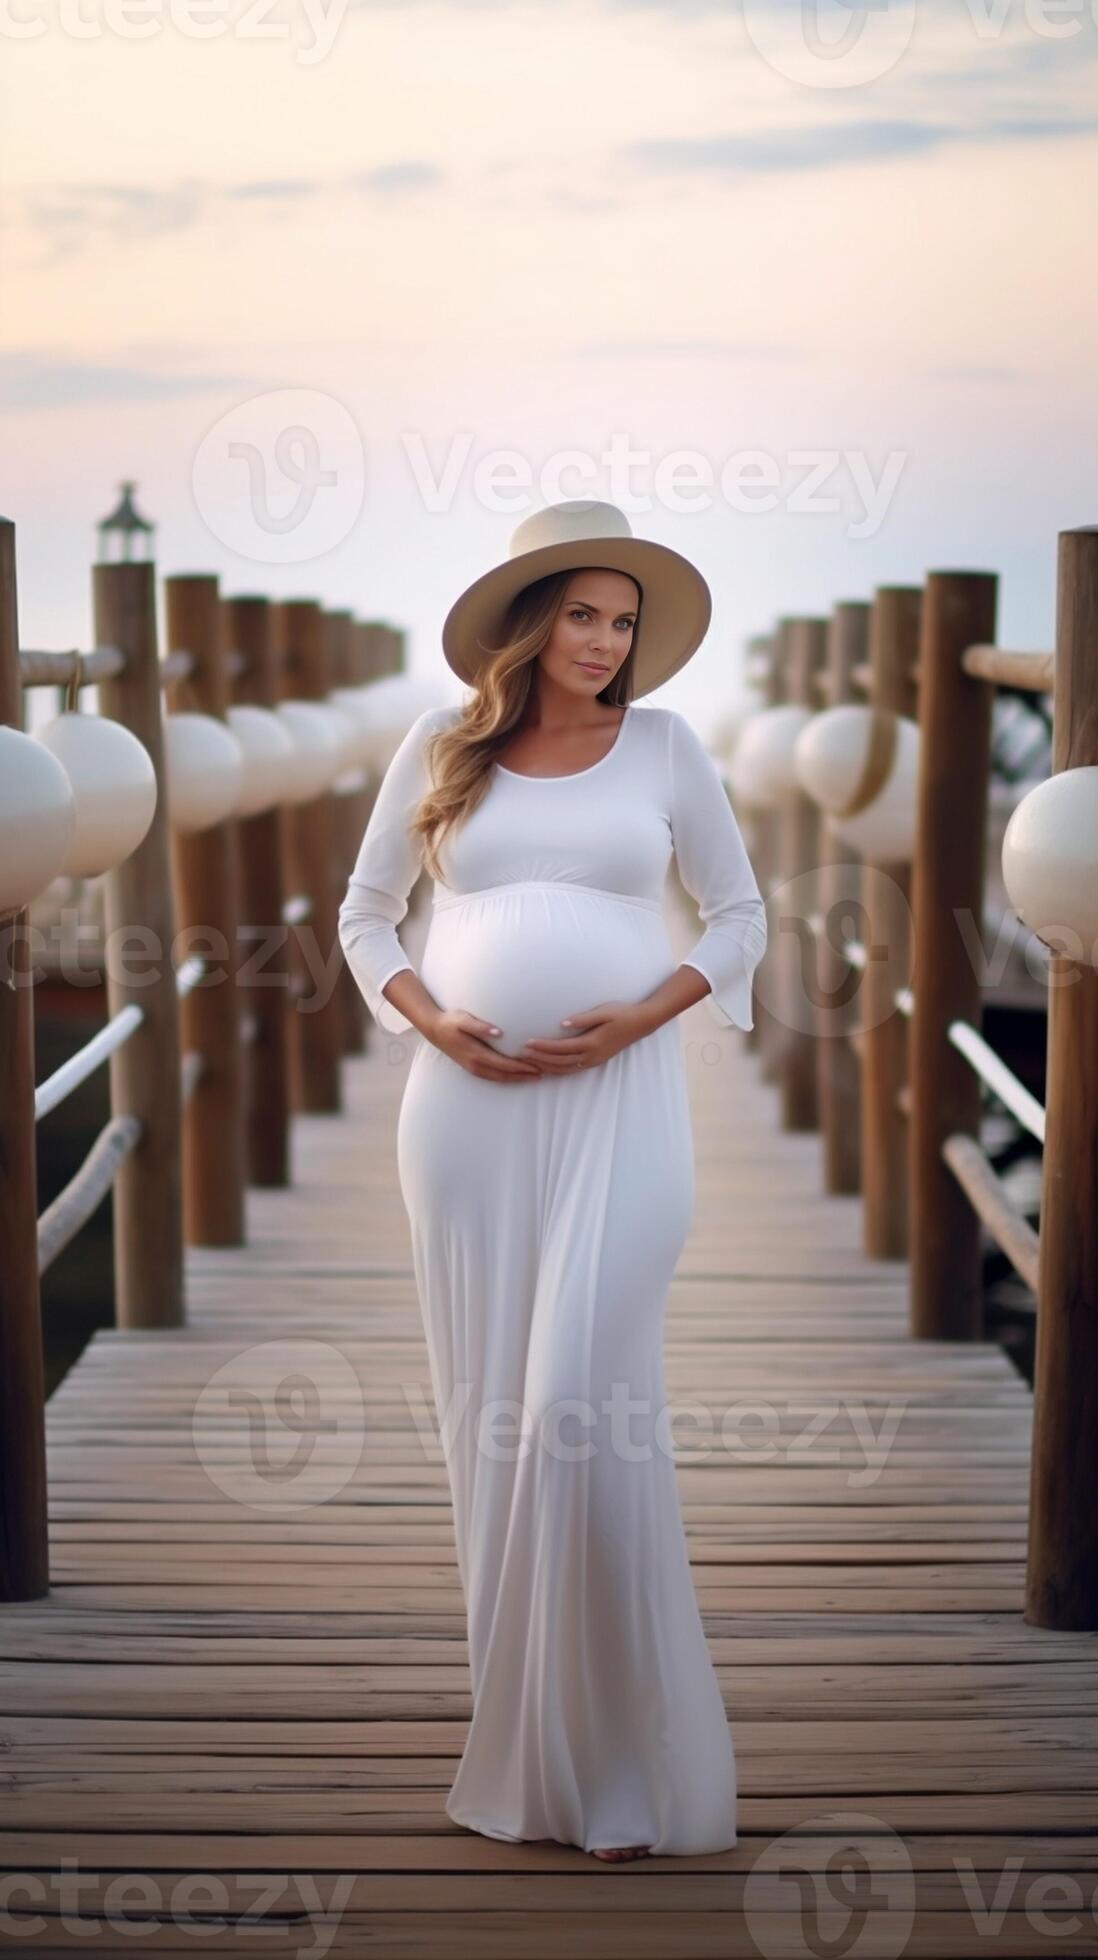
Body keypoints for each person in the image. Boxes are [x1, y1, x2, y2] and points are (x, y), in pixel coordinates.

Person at [337, 498, 767, 1861]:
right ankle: (531, 1745)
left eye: (623, 619)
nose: (603, 640)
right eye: (580, 613)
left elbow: (743, 915)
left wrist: (641, 1014)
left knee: (581, 1398)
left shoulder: (665, 746)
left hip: (621, 1105)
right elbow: (364, 915)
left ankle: (624, 1767)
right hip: (461, 1117)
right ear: (528, 623)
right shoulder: (441, 746)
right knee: (495, 1425)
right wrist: (429, 1017)